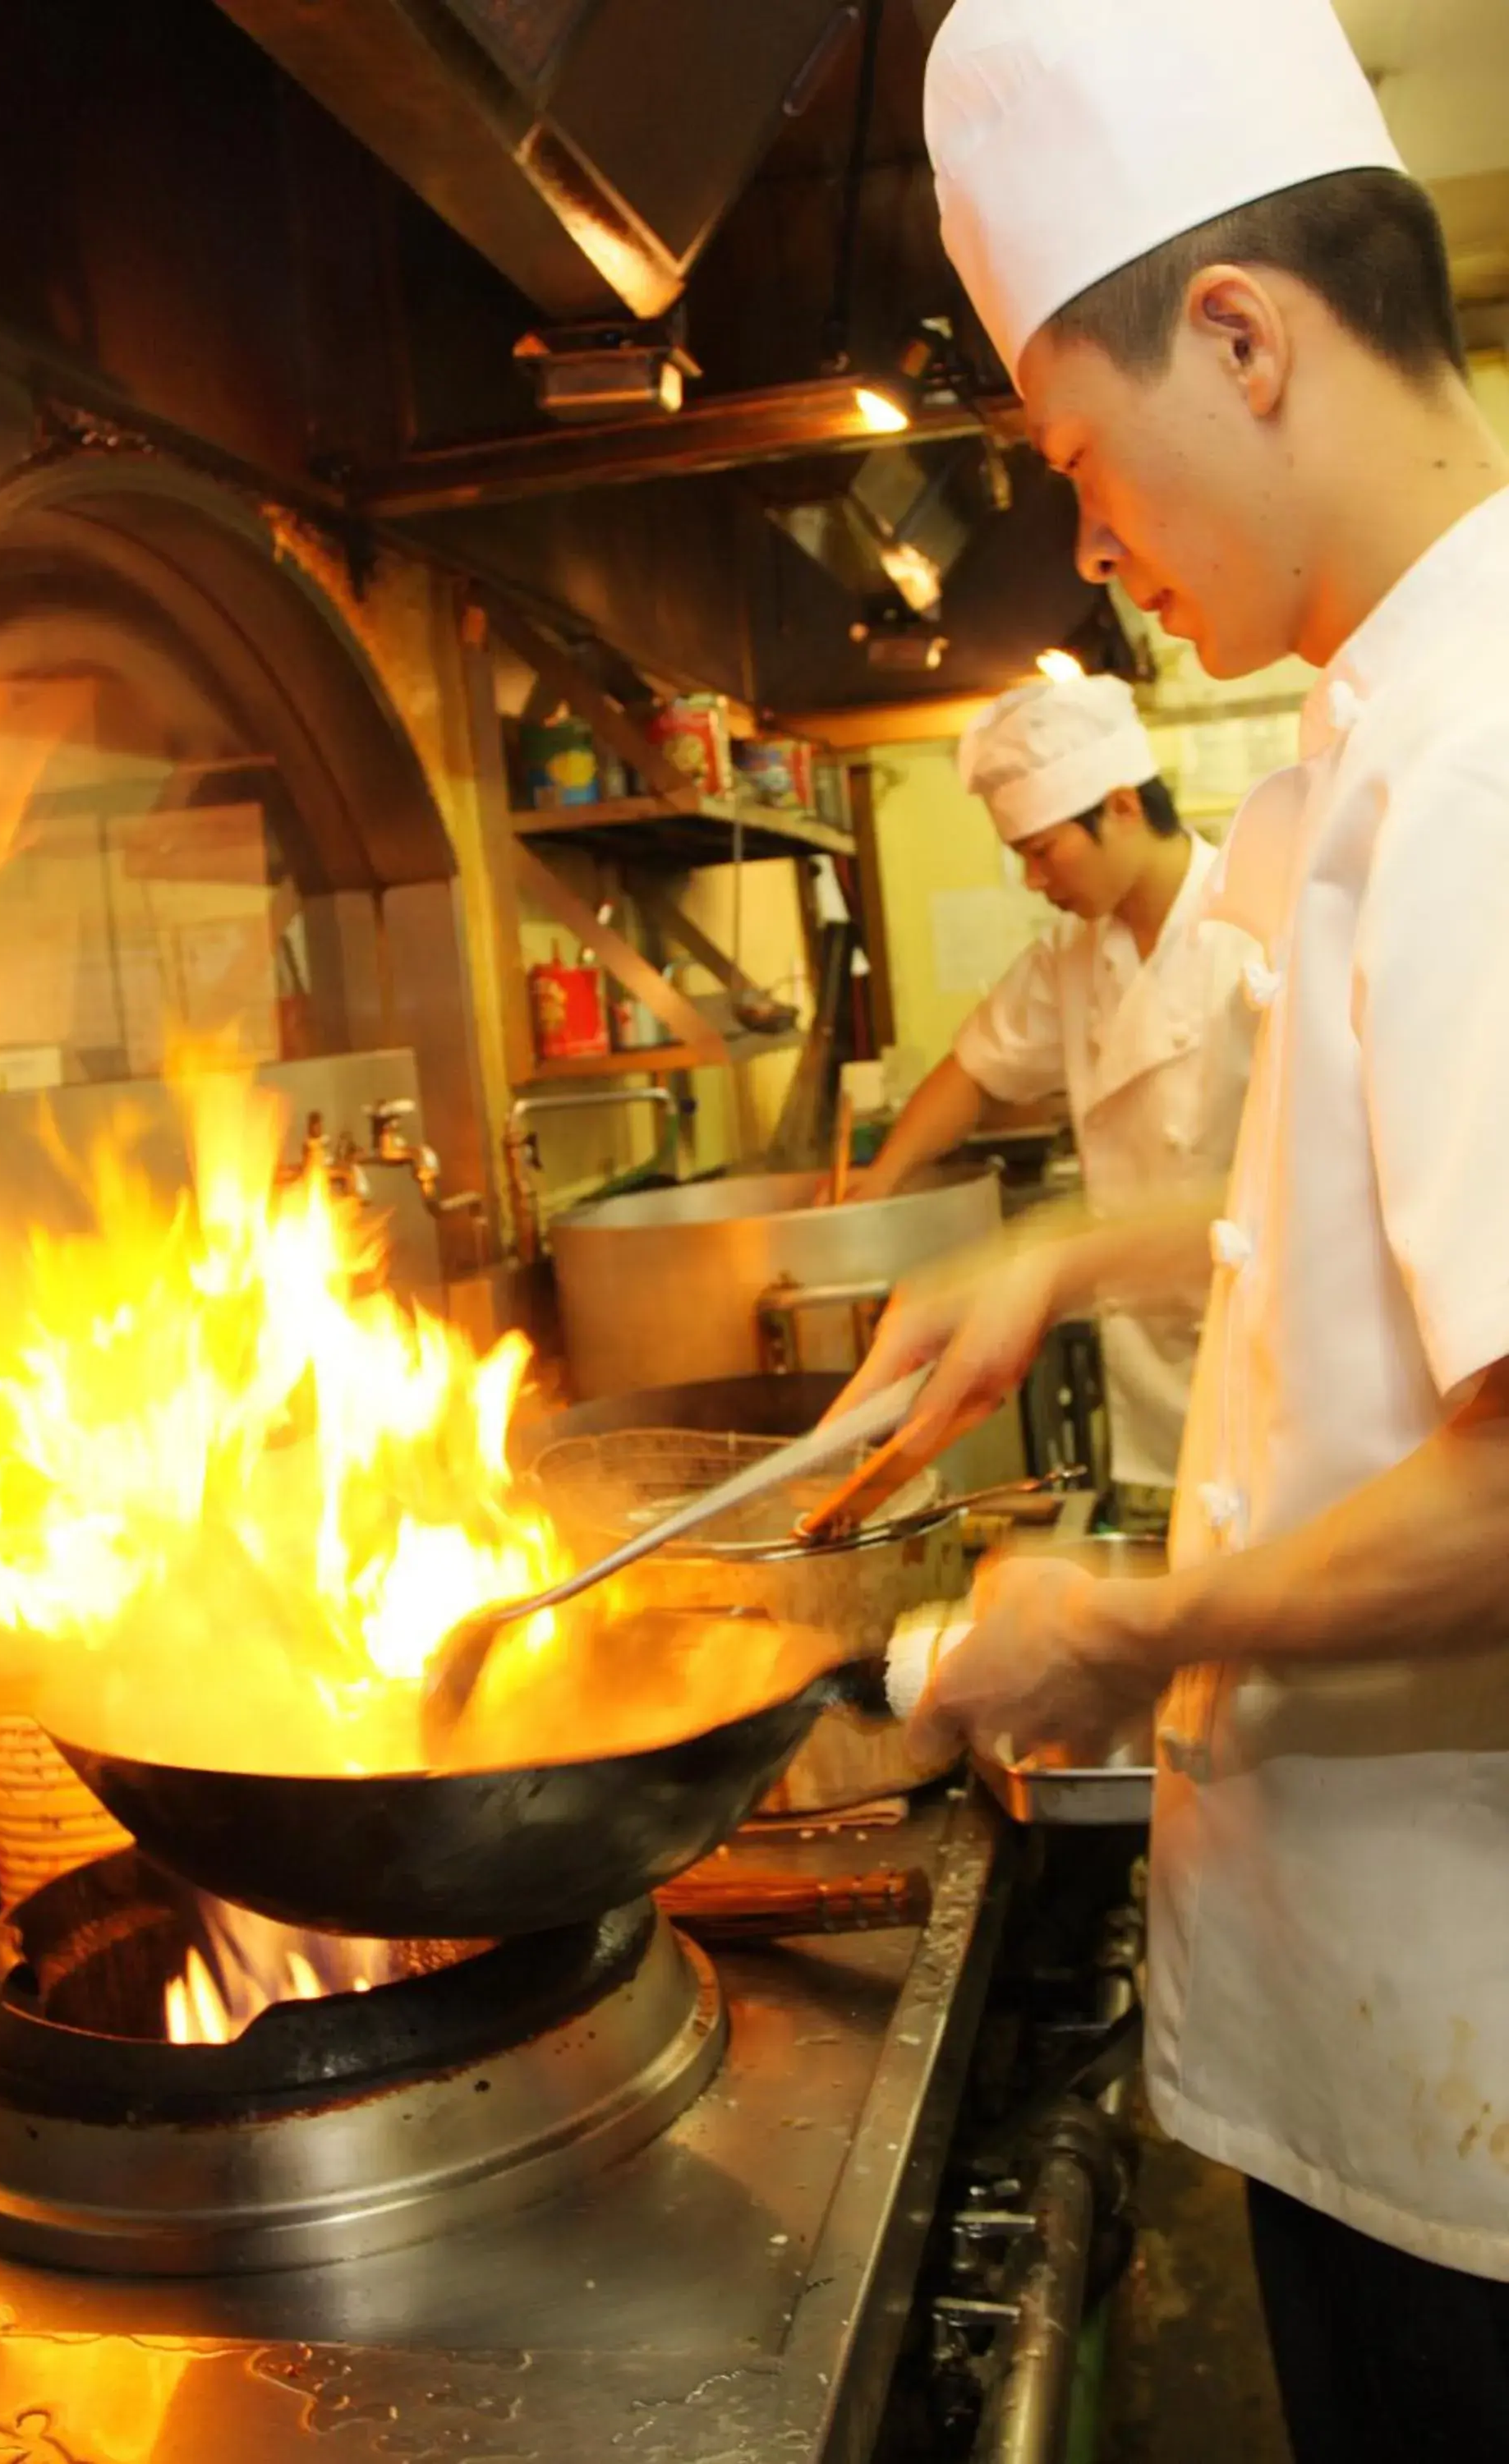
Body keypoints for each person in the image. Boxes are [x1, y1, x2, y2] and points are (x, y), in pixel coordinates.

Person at [837, 0, 1509, 2453]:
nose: (1089, 541)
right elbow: (1381, 1248)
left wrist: (1142, 1624)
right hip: (1413, 2058)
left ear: (1236, 336)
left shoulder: (1478, 763)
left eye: (1080, 462)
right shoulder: (1386, 723)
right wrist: (1054, 1260)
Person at [838, 669, 1257, 1507]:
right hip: (1146, 1360)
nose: (1033, 880)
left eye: (1040, 851)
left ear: (1122, 807)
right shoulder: (1069, 959)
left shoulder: (1250, 924)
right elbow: (970, 1073)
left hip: (1259, 1347)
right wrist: (871, 1190)